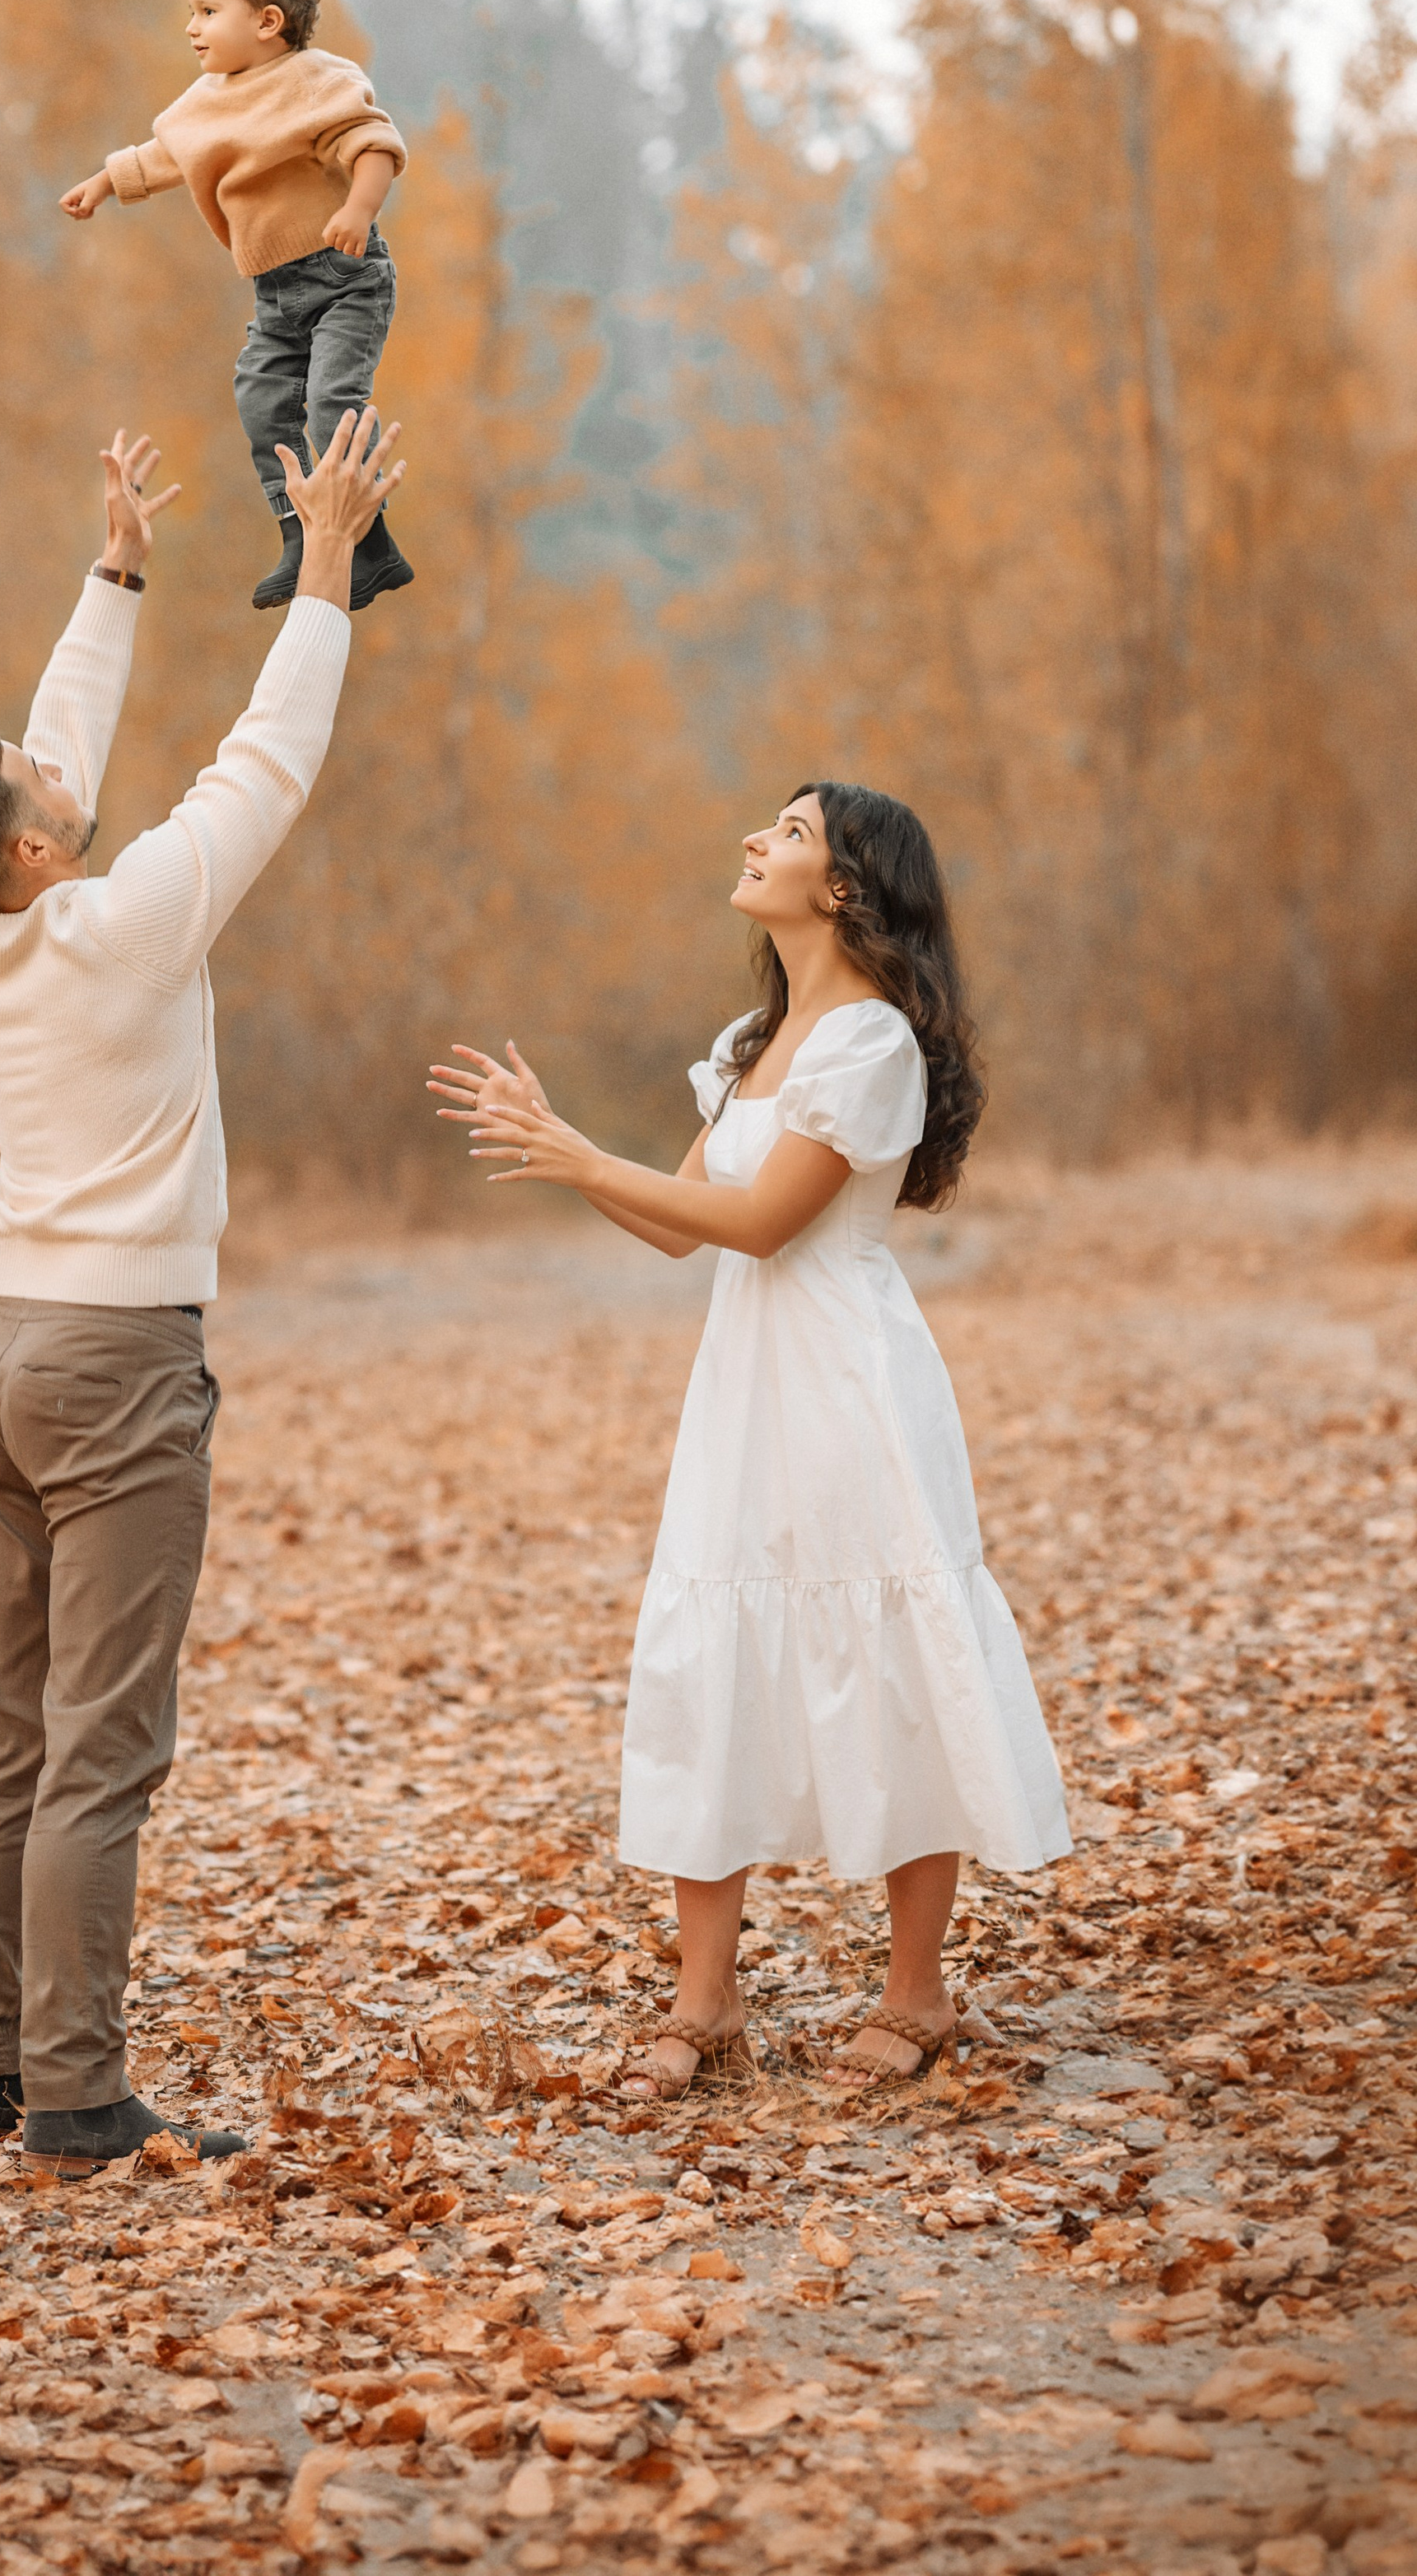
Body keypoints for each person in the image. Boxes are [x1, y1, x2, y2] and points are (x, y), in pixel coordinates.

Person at [0, 407, 403, 2173]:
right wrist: (324, 561)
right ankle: (75, 2093)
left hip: (5, 1352)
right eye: (36, 784)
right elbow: (267, 763)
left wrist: (116, 573)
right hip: (115, 1364)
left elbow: (49, 753)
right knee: (99, 1751)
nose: (55, 771)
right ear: (38, 849)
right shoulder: (121, 928)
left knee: (7, 1733)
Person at [428, 783, 1070, 2095]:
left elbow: (769, 1223)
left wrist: (580, 1154)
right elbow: (682, 1224)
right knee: (707, 1654)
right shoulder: (753, 1043)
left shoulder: (870, 1043)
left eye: (789, 833)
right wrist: (563, 1150)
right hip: (744, 1385)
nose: (754, 842)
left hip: (847, 1380)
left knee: (889, 1656)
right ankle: (705, 2000)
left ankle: (917, 1994)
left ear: (843, 887)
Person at [59, 0, 414, 617]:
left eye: (207, 11)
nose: (191, 27)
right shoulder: (207, 100)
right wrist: (103, 183)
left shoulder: (317, 81)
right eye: (191, 11)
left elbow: (373, 144)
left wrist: (359, 209)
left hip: (345, 278)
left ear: (267, 22)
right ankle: (295, 532)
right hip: (275, 293)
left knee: (332, 403)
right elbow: (164, 156)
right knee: (260, 403)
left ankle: (369, 538)